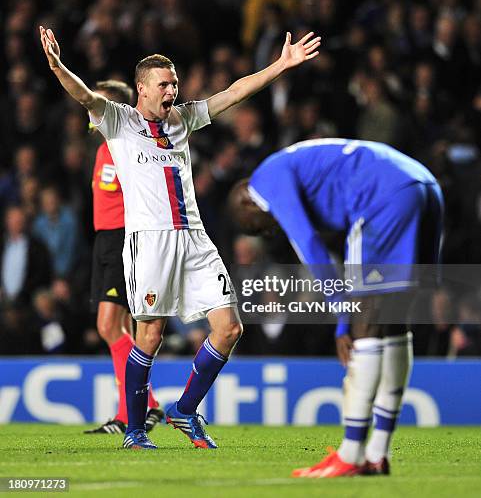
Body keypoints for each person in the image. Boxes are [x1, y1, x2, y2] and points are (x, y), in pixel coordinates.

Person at [39, 24, 320, 450]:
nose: (172, 90)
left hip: (194, 240)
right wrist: (58, 66)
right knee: (148, 337)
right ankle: (134, 431)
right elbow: (85, 96)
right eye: (164, 84)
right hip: (149, 243)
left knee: (229, 329)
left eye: (175, 82)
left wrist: (280, 65)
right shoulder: (119, 121)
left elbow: (234, 93)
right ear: (142, 89)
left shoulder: (183, 118)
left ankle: (184, 410)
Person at [229, 138, 443, 477]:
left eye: (258, 226)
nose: (269, 232)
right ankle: (377, 452)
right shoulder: (296, 164)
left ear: (247, 200)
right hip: (423, 186)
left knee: (365, 329)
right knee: (394, 325)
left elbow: (309, 246)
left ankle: (351, 453)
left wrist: (343, 317)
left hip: (381, 196)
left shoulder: (264, 181)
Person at [84, 80, 163, 435]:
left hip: (122, 239)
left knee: (107, 325)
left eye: (97, 107)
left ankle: (147, 403)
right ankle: (132, 411)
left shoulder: (126, 146)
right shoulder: (103, 149)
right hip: (104, 240)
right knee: (119, 327)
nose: (90, 114)